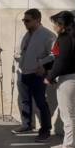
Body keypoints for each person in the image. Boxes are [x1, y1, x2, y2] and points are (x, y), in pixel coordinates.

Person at [44, 11, 75, 148]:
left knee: (68, 115)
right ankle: (67, 144)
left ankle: (69, 146)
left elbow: (60, 62)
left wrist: (49, 77)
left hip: (69, 81)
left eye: (55, 23)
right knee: (72, 114)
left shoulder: (65, 39)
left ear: (61, 25)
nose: (53, 26)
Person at [13, 8, 56, 141]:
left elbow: (54, 54)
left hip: (37, 74)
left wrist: (41, 63)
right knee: (24, 100)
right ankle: (27, 124)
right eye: (23, 20)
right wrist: (18, 57)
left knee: (41, 102)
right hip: (23, 72)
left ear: (37, 20)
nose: (25, 23)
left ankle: (45, 130)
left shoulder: (48, 35)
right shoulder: (27, 34)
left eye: (27, 20)